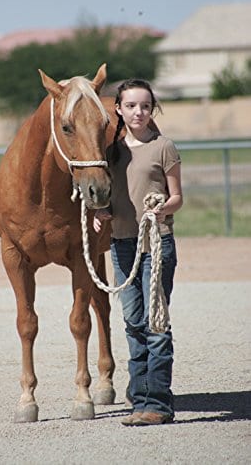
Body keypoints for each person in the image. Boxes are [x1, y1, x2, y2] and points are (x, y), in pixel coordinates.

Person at [94, 78, 183, 426]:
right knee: (133, 324)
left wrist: (161, 209)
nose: (138, 112)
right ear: (118, 109)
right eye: (131, 106)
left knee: (155, 323)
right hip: (121, 245)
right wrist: (101, 214)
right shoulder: (112, 153)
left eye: (145, 106)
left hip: (157, 242)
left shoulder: (164, 147)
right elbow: (106, 196)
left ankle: (158, 403)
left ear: (153, 109)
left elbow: (178, 197)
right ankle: (140, 400)